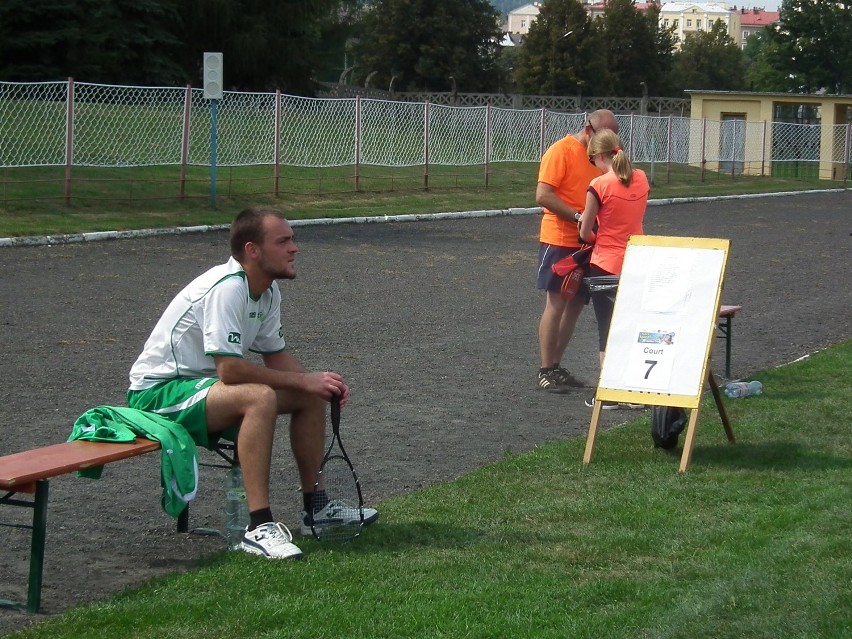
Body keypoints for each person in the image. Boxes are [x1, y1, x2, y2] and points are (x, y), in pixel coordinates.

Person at [127, 206, 378, 559]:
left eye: (292, 240)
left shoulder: (268, 291)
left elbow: (276, 356)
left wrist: (317, 383)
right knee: (259, 397)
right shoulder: (227, 289)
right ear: (252, 250)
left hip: (204, 389)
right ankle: (258, 526)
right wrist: (301, 379)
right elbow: (229, 371)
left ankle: (316, 509)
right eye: (283, 241)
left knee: (308, 397)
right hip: (158, 393)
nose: (294, 248)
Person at [535, 109, 620, 394]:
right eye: (604, 139)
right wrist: (577, 217)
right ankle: (546, 370)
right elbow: (543, 195)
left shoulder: (598, 158)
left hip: (589, 242)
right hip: (560, 239)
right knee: (557, 303)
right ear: (588, 130)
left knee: (574, 307)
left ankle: (556, 366)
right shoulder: (561, 151)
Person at [578, 129, 650, 409]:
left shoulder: (599, 185)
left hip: (606, 263)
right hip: (637, 258)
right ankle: (634, 390)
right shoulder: (641, 177)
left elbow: (585, 232)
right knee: (633, 324)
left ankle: (609, 391)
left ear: (598, 156)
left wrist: (597, 237)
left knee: (607, 327)